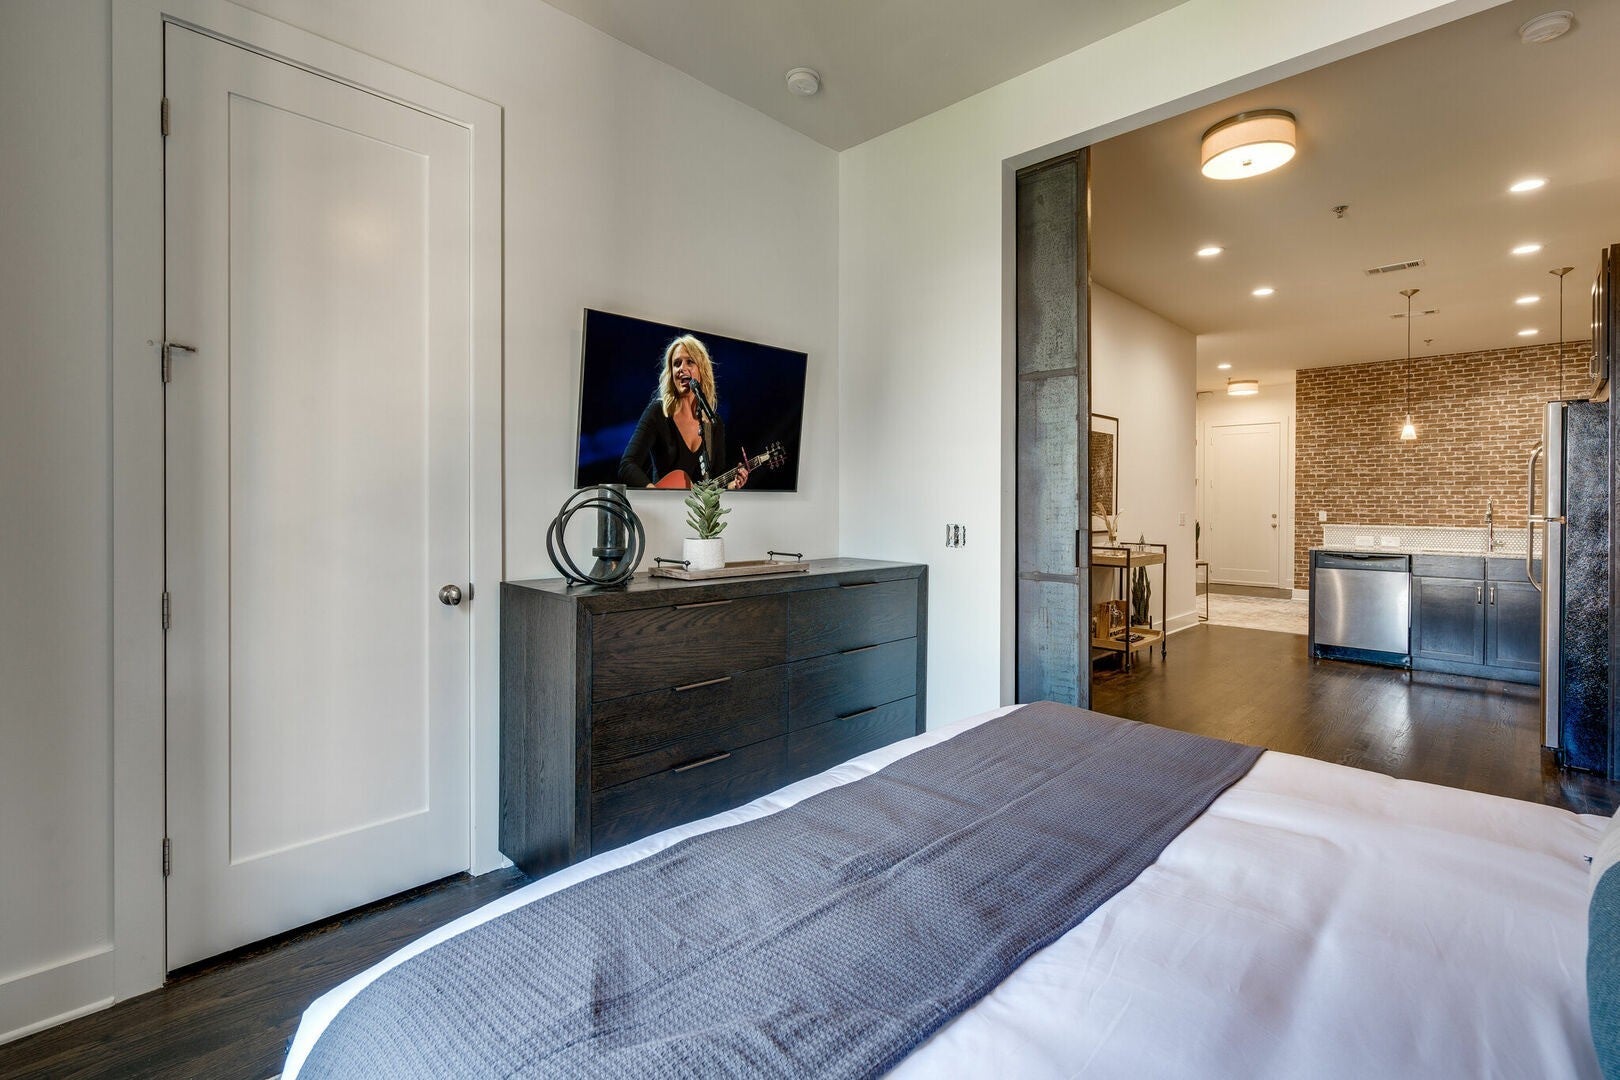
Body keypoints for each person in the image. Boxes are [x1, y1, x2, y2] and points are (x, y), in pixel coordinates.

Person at [618, 335, 750, 490]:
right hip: (662, 504)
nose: (681, 368)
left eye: (690, 362)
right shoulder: (658, 412)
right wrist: (654, 493)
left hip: (698, 507)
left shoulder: (714, 423)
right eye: (676, 364)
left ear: (702, 370)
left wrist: (732, 485)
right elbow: (627, 465)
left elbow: (715, 480)